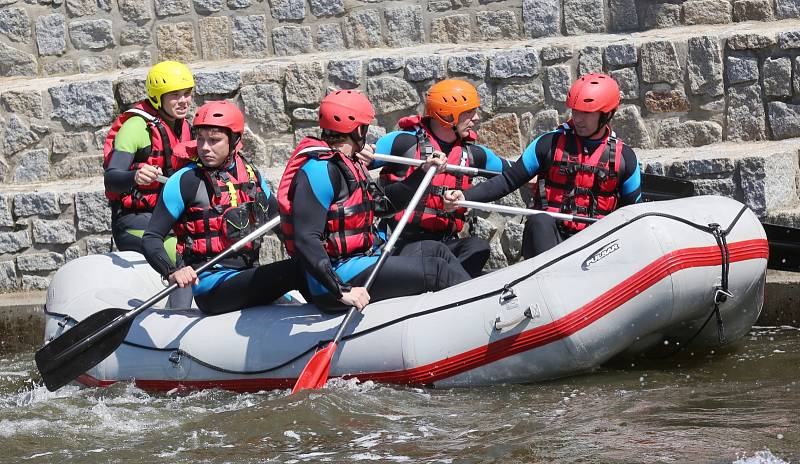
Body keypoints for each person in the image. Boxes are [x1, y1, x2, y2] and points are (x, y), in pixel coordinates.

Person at [277, 89, 471, 311]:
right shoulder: (319, 170)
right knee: (436, 270)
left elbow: (384, 204)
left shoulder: (351, 163)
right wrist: (341, 290)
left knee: (437, 250)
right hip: (335, 279)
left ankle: (477, 303)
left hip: (363, 258)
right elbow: (306, 240)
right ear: (358, 129)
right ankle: (481, 317)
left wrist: (423, 172)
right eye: (366, 128)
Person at [444, 73, 642, 259]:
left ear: (607, 115)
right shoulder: (547, 144)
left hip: (597, 248)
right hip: (550, 242)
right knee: (540, 220)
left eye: (586, 113)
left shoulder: (625, 159)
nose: (578, 118)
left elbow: (633, 215)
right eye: (575, 110)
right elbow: (508, 180)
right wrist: (465, 197)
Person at [142, 101, 305, 315]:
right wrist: (173, 270)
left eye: (214, 140)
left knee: (308, 267)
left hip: (247, 275)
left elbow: (282, 224)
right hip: (212, 285)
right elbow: (151, 237)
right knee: (295, 271)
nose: (205, 147)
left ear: (235, 140)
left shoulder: (250, 175)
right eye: (200, 139)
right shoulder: (185, 181)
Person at [375, 79, 513, 277]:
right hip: (401, 245)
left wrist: (534, 177)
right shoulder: (402, 143)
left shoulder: (473, 154)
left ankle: (453, 288)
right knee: (436, 255)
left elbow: (516, 171)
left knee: (478, 246)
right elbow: (354, 159)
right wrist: (363, 153)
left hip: (444, 242)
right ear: (447, 115)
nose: (475, 119)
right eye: (468, 112)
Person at [103, 60, 195, 257]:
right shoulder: (135, 127)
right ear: (156, 97)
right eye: (174, 95)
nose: (183, 101)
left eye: (187, 93)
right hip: (135, 221)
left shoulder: (185, 126)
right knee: (182, 257)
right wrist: (135, 176)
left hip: (171, 215)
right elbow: (111, 180)